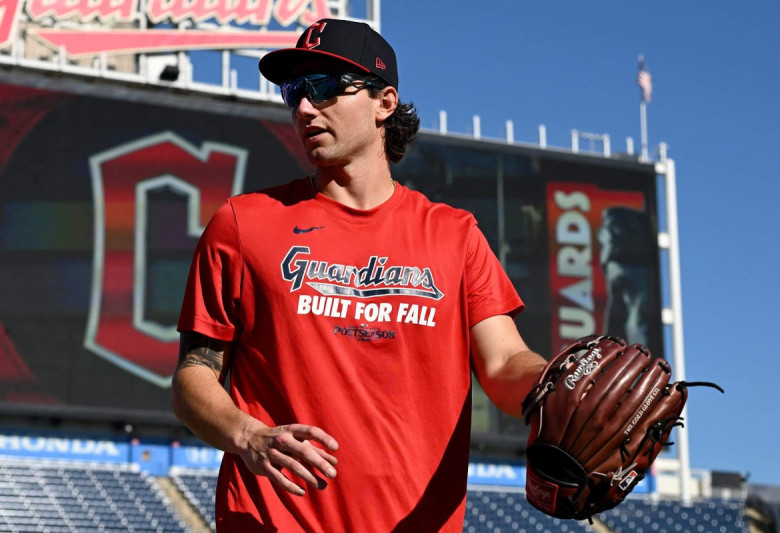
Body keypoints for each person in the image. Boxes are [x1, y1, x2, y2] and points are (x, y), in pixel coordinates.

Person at [172, 18, 547, 532]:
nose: (304, 107)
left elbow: (505, 363)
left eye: (324, 88)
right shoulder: (242, 224)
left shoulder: (454, 236)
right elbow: (193, 376)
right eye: (294, 91)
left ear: (384, 103)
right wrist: (247, 434)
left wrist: (559, 385)